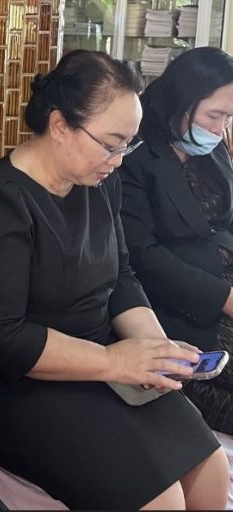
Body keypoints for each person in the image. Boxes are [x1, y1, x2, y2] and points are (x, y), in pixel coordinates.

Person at [0, 49, 228, 510]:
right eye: (111, 144)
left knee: (211, 471)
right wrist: (113, 362)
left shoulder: (98, 181)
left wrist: (156, 349)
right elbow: (6, 339)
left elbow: (121, 274)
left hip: (106, 357)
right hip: (27, 383)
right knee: (162, 501)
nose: (118, 160)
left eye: (128, 145)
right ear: (60, 125)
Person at [120, 46, 233, 436]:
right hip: (178, 303)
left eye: (228, 117)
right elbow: (143, 256)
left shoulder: (209, 149)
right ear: (181, 102)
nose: (220, 129)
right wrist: (224, 297)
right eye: (214, 116)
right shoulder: (133, 155)